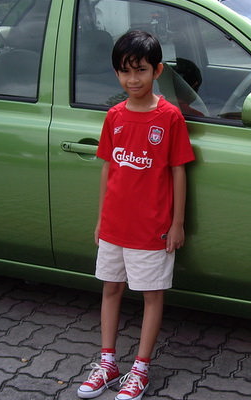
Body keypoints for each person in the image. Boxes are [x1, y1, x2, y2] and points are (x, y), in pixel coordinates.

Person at [77, 30, 195, 400]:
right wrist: (100, 219)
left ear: (157, 70)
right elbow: (108, 170)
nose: (133, 79)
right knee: (110, 289)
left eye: (140, 70)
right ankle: (108, 363)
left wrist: (176, 224)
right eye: (125, 72)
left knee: (151, 296)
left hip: (152, 229)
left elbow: (178, 170)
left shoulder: (170, 117)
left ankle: (140, 369)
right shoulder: (114, 116)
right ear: (116, 74)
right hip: (115, 226)